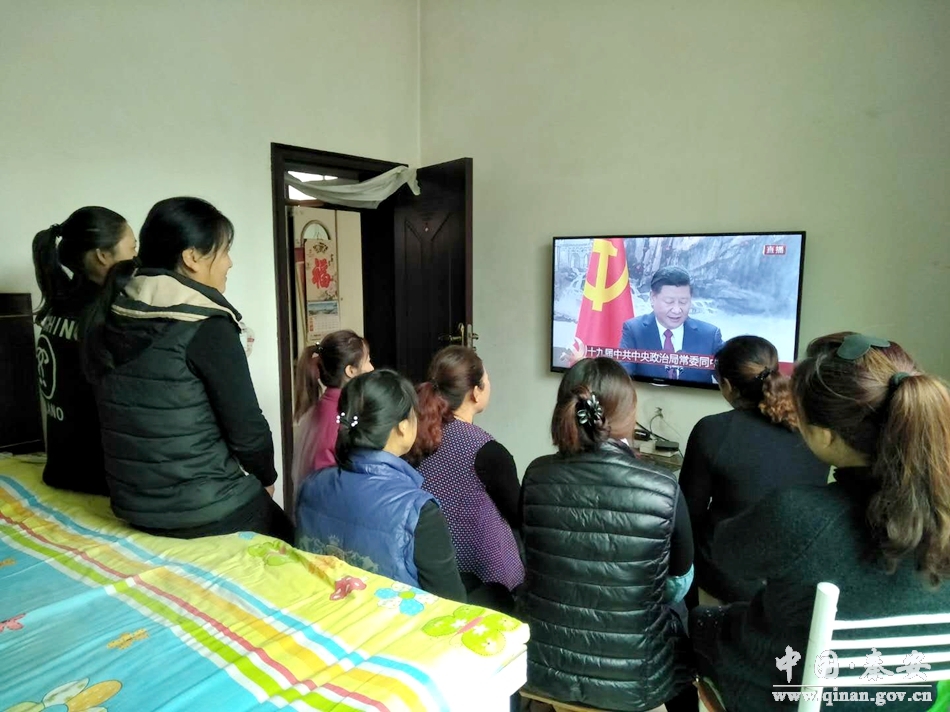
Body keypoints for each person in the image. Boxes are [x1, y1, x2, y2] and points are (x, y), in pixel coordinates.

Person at [691, 333, 950, 710]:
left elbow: (726, 556)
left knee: (700, 622)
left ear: (826, 437)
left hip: (787, 697)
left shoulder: (798, 513)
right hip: (910, 700)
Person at [81, 197, 293, 542]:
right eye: (224, 251)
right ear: (192, 257)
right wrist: (266, 478)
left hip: (133, 505)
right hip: (202, 509)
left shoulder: (112, 308)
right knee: (293, 541)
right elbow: (247, 430)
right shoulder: (205, 324)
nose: (229, 262)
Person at [520, 357, 696, 712]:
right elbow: (679, 581)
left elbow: (533, 559)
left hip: (544, 666)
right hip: (635, 681)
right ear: (628, 413)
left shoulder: (536, 474)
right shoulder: (663, 488)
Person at [679, 336, 828, 604]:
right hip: (795, 582)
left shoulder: (712, 430)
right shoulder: (814, 430)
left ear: (726, 385)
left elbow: (688, 516)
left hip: (728, 583)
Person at [296, 369, 466, 601]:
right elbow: (452, 603)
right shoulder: (418, 511)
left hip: (323, 614)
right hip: (394, 623)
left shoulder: (311, 484)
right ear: (402, 426)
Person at [32, 207, 137, 495]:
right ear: (103, 255)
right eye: (132, 248)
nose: (136, 259)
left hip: (60, 469)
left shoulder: (57, 305)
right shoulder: (107, 315)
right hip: (98, 478)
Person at [409, 346, 523, 611]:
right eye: (487, 380)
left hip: (428, 567)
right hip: (487, 579)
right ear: (475, 392)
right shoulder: (487, 451)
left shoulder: (416, 434)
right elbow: (519, 515)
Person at [290, 330, 373, 493]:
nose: (372, 368)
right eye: (368, 361)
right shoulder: (342, 416)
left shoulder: (322, 408)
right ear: (351, 371)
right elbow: (330, 483)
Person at [618, 265, 723, 382]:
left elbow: (730, 380)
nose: (677, 310)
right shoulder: (634, 331)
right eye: (669, 302)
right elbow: (622, 380)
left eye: (683, 302)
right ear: (652, 298)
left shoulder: (710, 335)